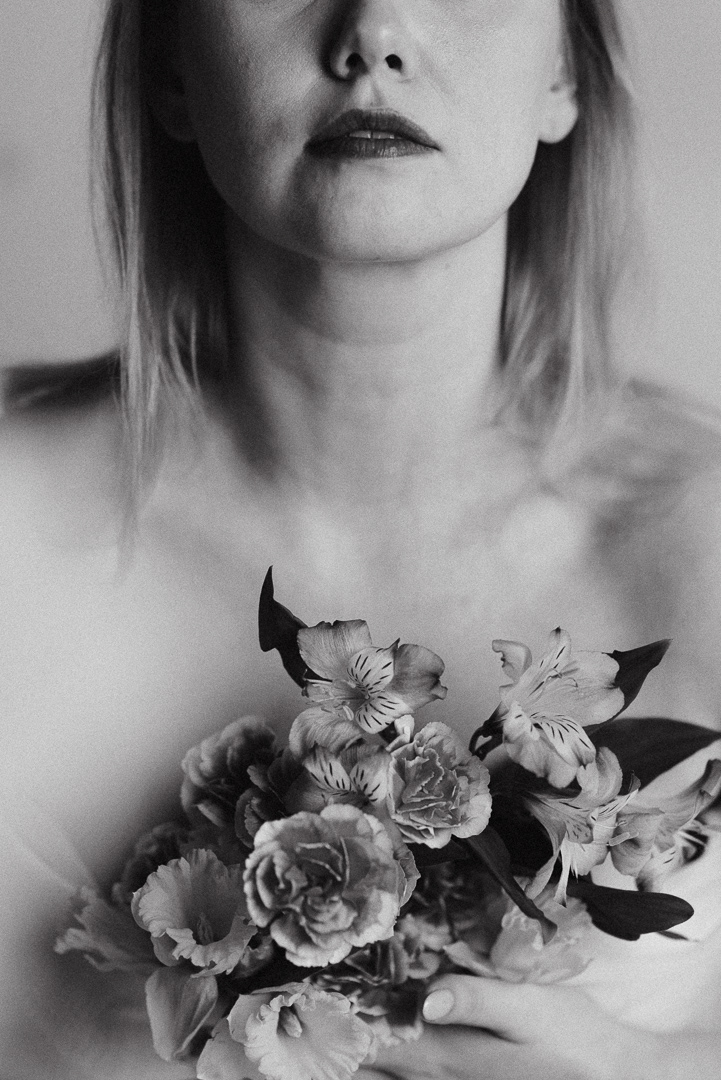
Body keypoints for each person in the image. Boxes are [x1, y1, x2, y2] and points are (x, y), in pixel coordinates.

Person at [1, 0, 720, 1076]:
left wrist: (642, 1070)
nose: (374, 30)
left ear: (564, 74)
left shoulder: (704, 539)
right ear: (172, 69)